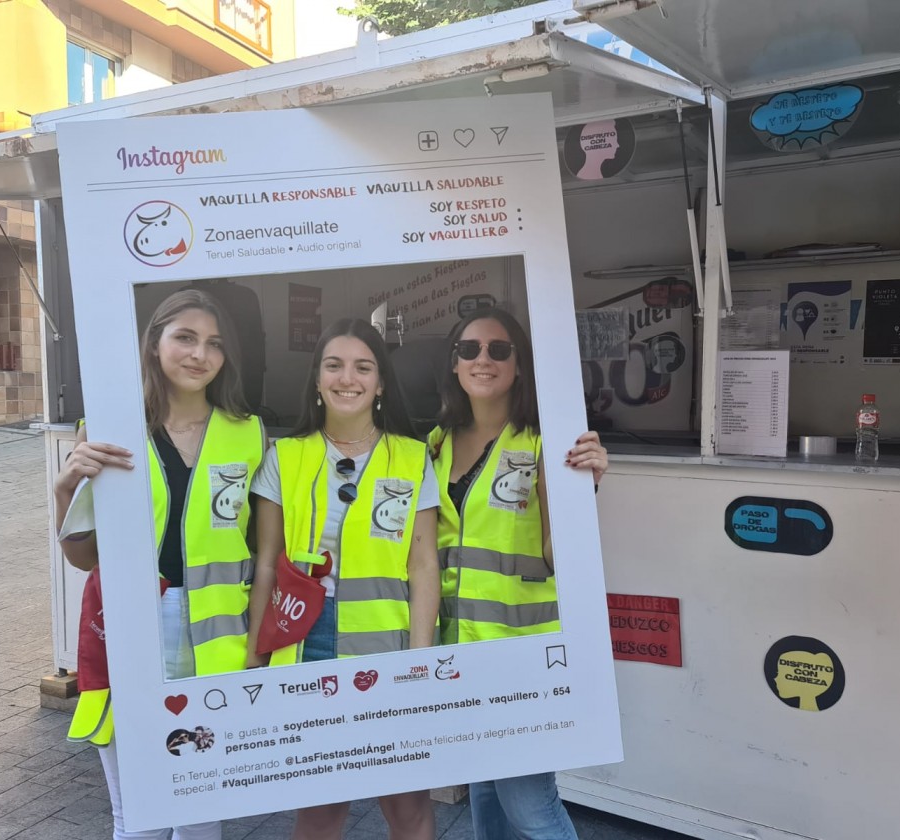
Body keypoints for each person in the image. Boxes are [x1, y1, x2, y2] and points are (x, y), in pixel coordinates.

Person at [54, 289, 265, 840]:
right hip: (129, 629)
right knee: (140, 814)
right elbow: (82, 558)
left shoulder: (251, 434)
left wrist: (257, 645)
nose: (200, 354)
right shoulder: (105, 426)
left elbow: (264, 549)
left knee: (200, 812)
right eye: (185, 337)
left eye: (215, 344)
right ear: (153, 345)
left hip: (217, 637)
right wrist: (64, 488)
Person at [246, 318, 439, 840]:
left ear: (380, 383)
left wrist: (420, 660)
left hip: (388, 640)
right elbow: (268, 562)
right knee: (320, 807)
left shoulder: (413, 457)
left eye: (362, 367)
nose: (346, 378)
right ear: (316, 378)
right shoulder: (284, 457)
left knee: (406, 803)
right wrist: (254, 656)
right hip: (306, 641)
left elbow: (423, 566)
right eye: (333, 365)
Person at [428, 308, 608, 840]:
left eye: (499, 350)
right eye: (469, 349)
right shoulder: (436, 442)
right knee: (486, 792)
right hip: (459, 651)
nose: (483, 359)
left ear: (520, 365)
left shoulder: (546, 441)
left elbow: (559, 555)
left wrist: (585, 490)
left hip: (524, 654)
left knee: (530, 805)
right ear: (454, 365)